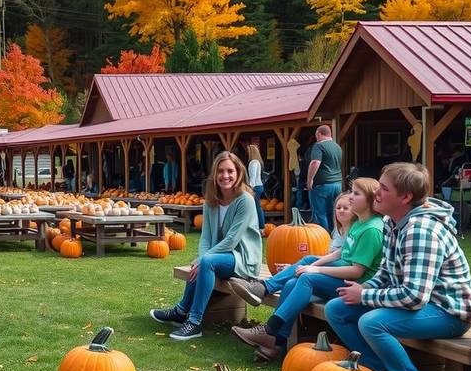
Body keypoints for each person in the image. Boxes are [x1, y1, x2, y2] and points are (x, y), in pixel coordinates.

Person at [325, 163, 471, 371]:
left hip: (447, 311)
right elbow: (385, 273)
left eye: (384, 188)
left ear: (405, 197)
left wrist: (365, 297)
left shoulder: (420, 230)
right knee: (337, 309)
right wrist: (363, 289)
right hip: (420, 305)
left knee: (372, 322)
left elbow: (414, 296)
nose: (376, 193)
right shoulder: (392, 223)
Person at [230, 179, 384, 360]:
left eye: (356, 194)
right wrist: (312, 265)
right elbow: (342, 252)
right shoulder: (360, 223)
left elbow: (356, 271)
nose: (350, 197)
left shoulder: (372, 230)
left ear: (370, 200)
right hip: (342, 278)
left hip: (354, 287)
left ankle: (270, 328)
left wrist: (315, 271)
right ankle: (276, 342)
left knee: (307, 278)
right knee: (292, 282)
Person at [149, 151, 261, 341]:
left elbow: (232, 240)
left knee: (206, 261)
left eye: (230, 171)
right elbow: (206, 237)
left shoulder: (246, 200)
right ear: (215, 175)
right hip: (219, 257)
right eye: (221, 171)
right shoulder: (211, 201)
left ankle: (194, 322)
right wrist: (201, 258)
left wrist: (204, 259)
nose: (225, 176)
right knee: (203, 262)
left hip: (243, 258)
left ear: (239, 173)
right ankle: (182, 311)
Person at [307, 124, 343, 232]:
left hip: (322, 184)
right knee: (333, 212)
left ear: (319, 134)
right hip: (337, 183)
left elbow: (315, 162)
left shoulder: (319, 146)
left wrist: (310, 180)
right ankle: (335, 234)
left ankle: (325, 236)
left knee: (320, 213)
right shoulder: (337, 147)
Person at [247, 144, 265, 230]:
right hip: (259, 185)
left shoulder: (253, 162)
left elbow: (253, 177)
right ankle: (260, 226)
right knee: (257, 206)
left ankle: (260, 226)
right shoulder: (258, 162)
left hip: (255, 187)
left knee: (256, 207)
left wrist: (250, 188)